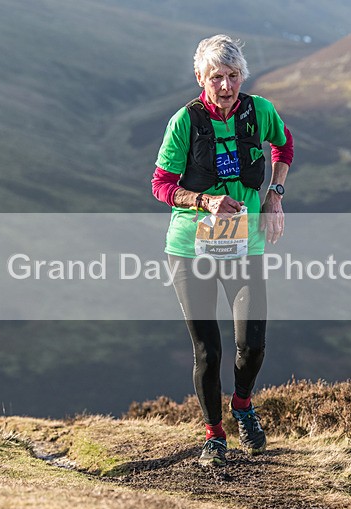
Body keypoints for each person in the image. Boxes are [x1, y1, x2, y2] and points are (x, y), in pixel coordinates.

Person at [151, 35, 294, 467]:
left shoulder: (259, 111)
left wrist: (275, 195)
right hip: (190, 249)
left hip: (243, 244)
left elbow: (284, 146)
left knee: (252, 344)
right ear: (201, 78)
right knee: (208, 352)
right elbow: (160, 185)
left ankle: (243, 407)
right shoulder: (185, 122)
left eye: (234, 76)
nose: (227, 86)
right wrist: (204, 200)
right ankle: (214, 435)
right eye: (217, 77)